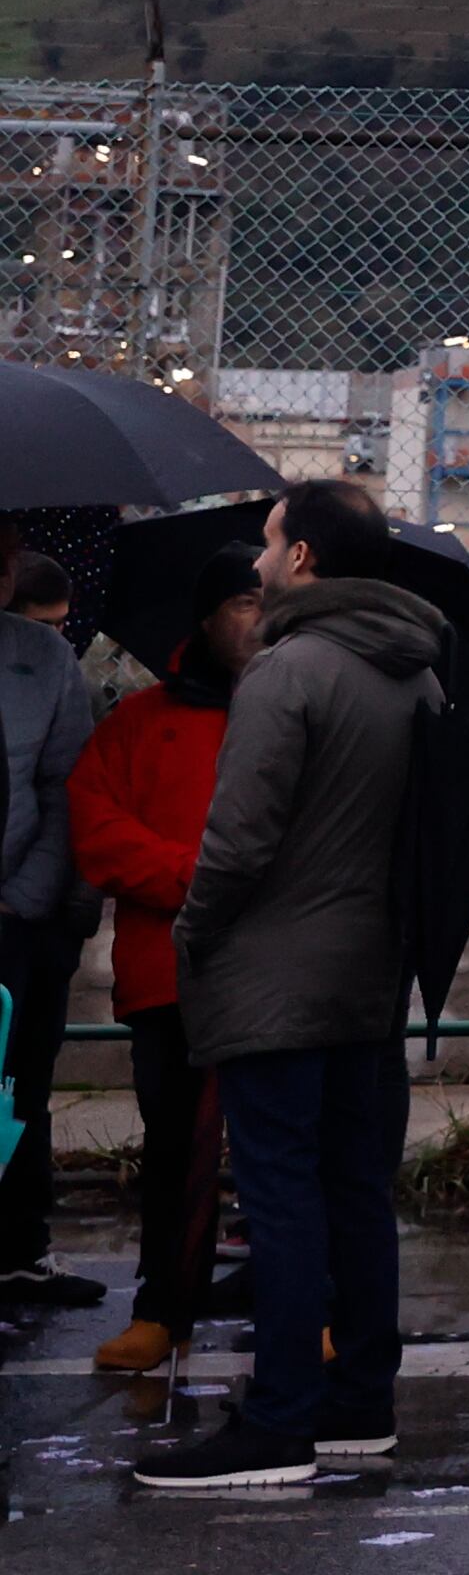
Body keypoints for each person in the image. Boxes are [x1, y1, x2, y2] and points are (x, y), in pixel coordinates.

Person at [133, 484, 448, 1490]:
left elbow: (239, 838)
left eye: (268, 544)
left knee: (279, 1195)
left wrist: (196, 934)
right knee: (356, 1188)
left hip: (273, 969)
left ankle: (278, 1421)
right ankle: (360, 1399)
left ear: (303, 558)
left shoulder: (287, 672)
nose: (258, 562)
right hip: (369, 967)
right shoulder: (417, 674)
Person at [68, 548, 251, 1375]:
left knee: (288, 1148)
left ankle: (301, 1304)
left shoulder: (308, 713)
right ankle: (162, 1309)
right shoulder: (141, 723)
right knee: (176, 1145)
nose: (260, 619)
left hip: (278, 972)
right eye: (244, 603)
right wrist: (196, 880)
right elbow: (96, 828)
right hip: (169, 973)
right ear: (208, 618)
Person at [0, 512, 99, 1312]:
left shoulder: (42, 658)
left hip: (18, 922)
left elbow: (64, 788)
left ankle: (18, 1249)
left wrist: (24, 900)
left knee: (20, 1085)